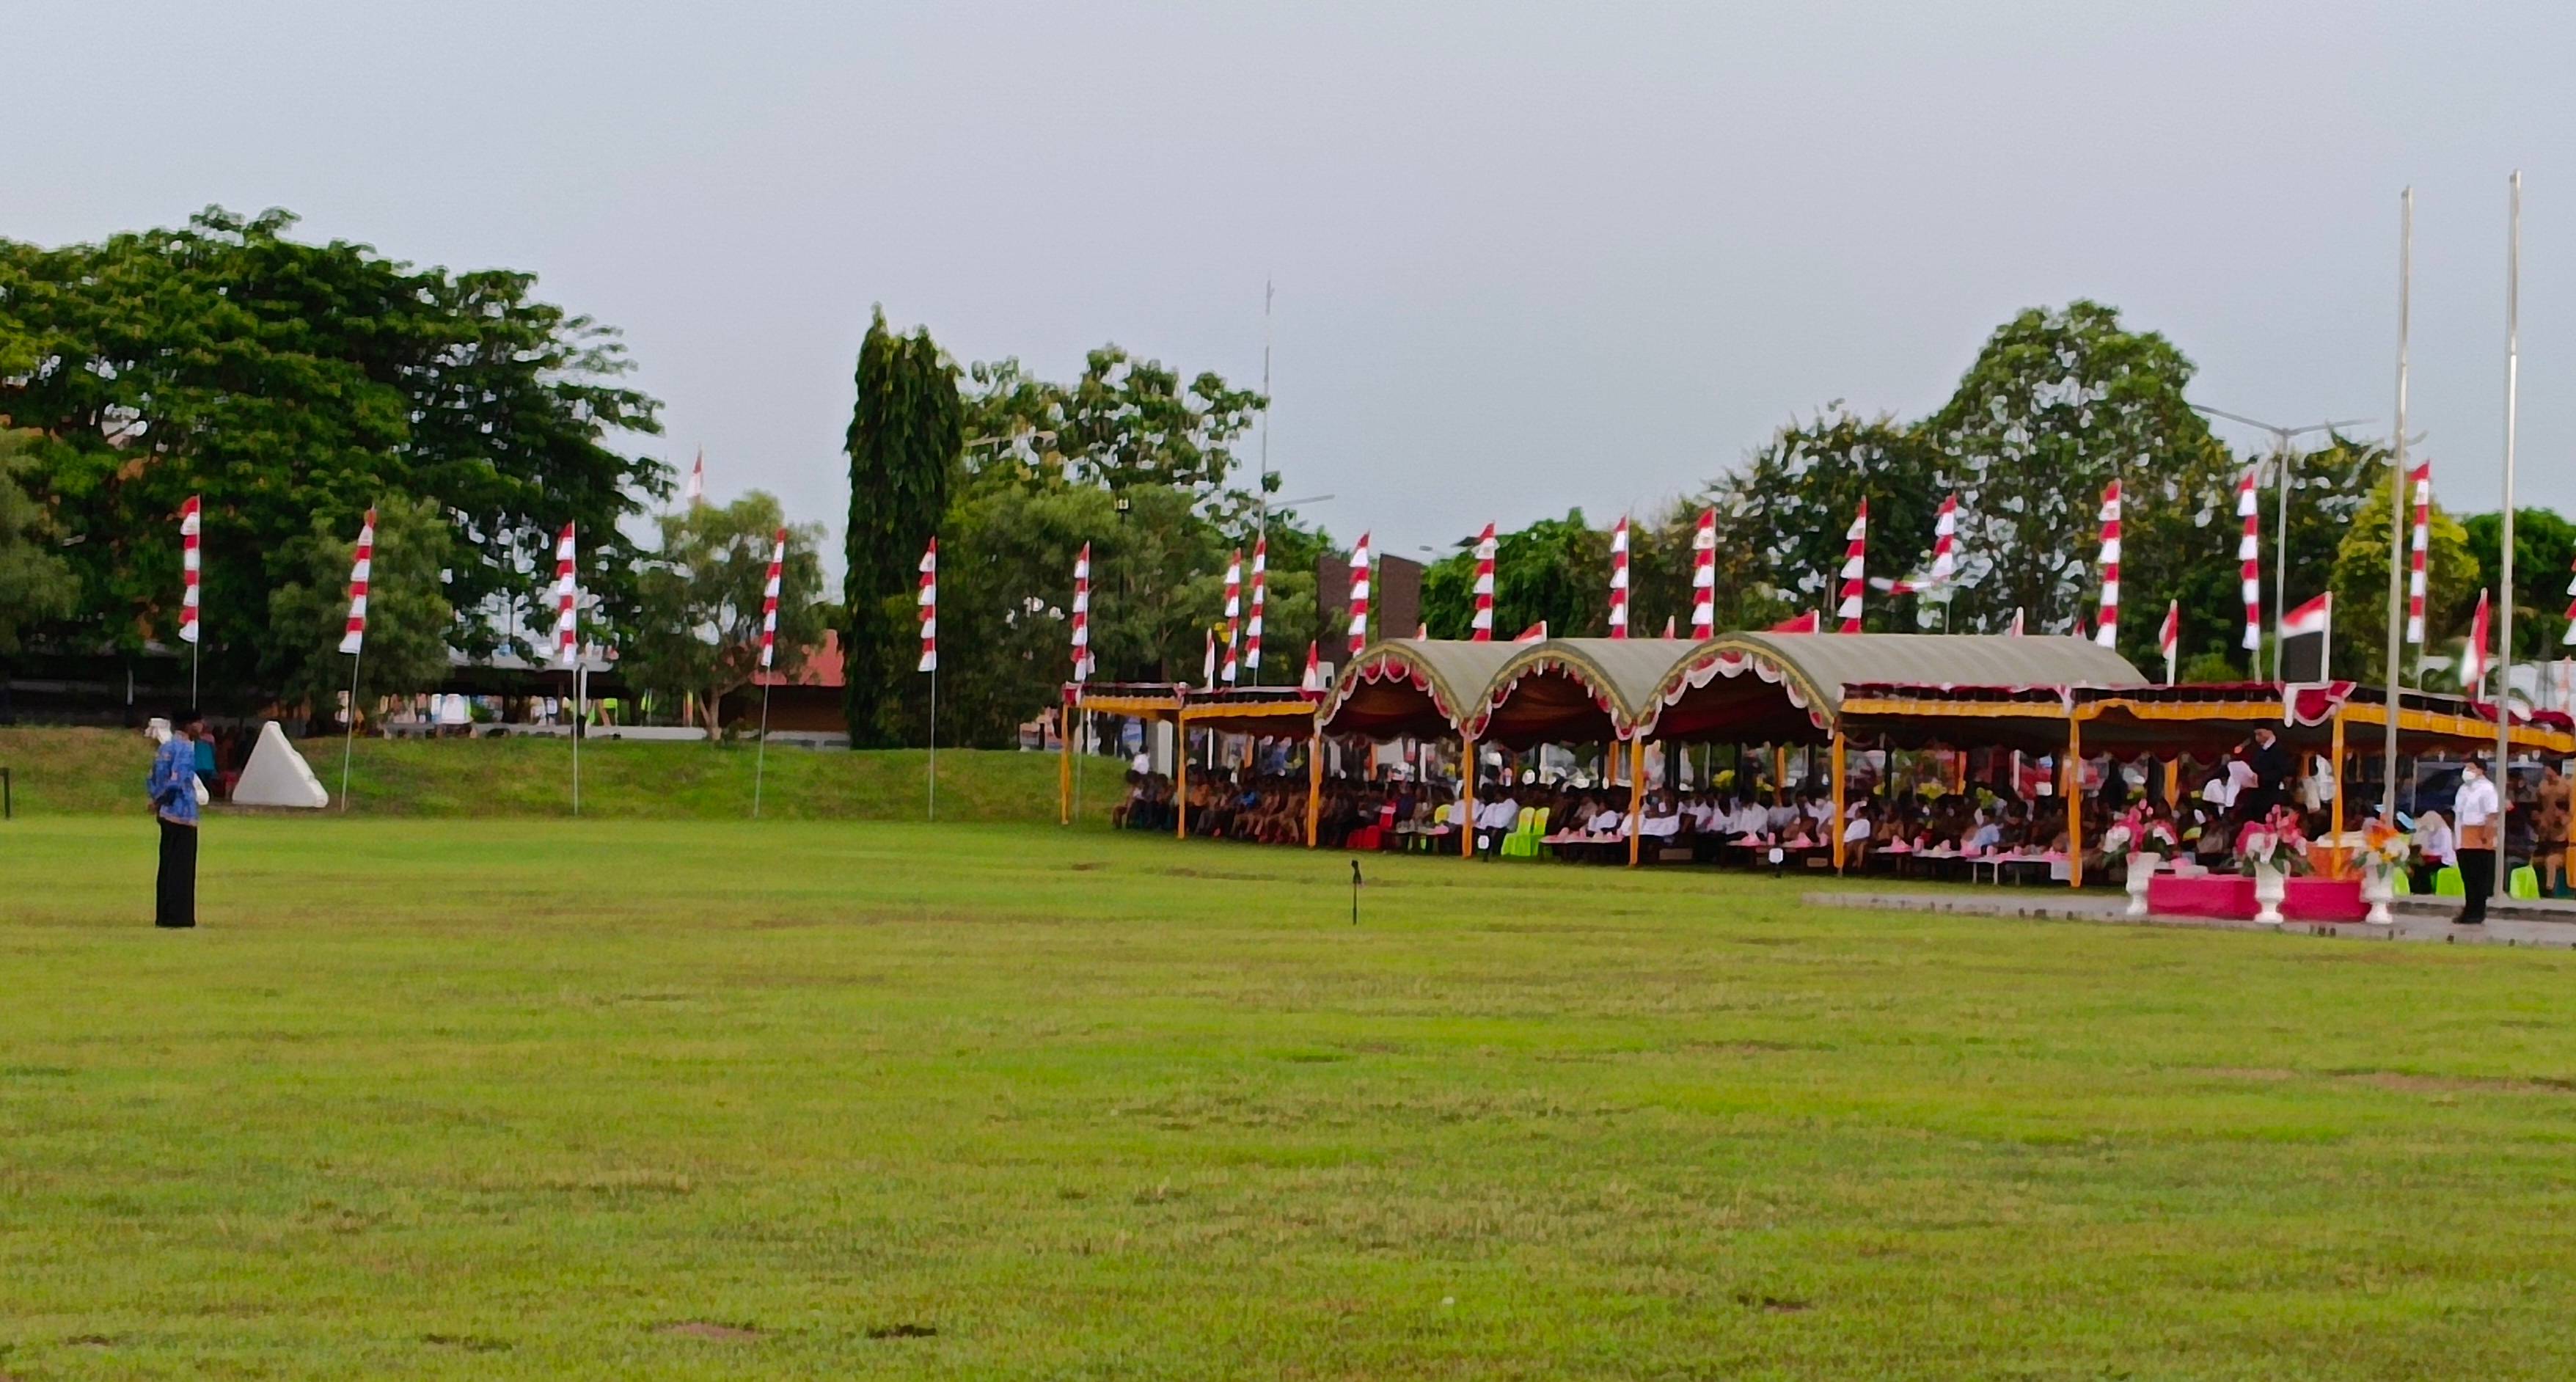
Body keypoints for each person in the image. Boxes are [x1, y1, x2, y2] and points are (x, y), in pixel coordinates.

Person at [147, 708, 205, 929]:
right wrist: (164, 800)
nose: (201, 728)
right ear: (189, 725)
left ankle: (163, 915)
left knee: (167, 866)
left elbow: (152, 778)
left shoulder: (165, 748)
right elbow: (176, 781)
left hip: (165, 815)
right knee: (182, 868)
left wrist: (156, 801)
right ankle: (180, 918)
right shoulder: (185, 749)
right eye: (198, 723)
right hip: (182, 814)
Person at [2453, 760, 2500, 924]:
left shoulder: (2487, 789)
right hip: (2463, 835)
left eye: (2471, 768)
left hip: (2479, 835)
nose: (2467, 771)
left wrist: (2487, 837)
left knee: (2479, 877)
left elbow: (2492, 814)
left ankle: (2478, 912)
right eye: (2466, 768)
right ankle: (2469, 909)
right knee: (2468, 877)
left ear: (2481, 770)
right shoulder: (2463, 789)